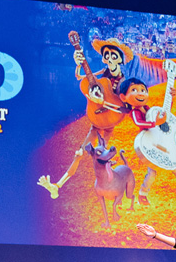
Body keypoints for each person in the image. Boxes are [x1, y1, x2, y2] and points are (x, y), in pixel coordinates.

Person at [38, 37, 133, 199]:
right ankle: (58, 185)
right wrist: (78, 63)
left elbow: (126, 108)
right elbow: (80, 77)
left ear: (120, 58)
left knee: (103, 156)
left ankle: (115, 187)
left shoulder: (123, 81)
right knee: (79, 152)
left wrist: (102, 101)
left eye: (113, 55)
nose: (109, 58)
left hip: (110, 121)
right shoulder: (103, 73)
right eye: (107, 55)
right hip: (96, 120)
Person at [119, 77, 176, 209]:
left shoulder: (148, 109)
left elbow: (164, 116)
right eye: (134, 90)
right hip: (149, 143)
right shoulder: (135, 112)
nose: (140, 93)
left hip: (157, 140)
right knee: (160, 171)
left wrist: (170, 99)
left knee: (168, 170)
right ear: (123, 97)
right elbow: (140, 123)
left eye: (143, 90)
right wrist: (155, 123)